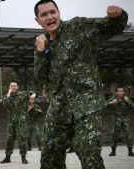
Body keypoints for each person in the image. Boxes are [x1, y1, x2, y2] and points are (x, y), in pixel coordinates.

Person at [33, 0, 128, 168]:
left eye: (52, 12)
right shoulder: (43, 43)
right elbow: (41, 78)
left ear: (59, 12)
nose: (50, 17)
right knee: (49, 159)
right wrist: (40, 52)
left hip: (86, 107)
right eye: (44, 15)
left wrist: (120, 14)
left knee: (90, 156)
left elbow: (113, 26)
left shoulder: (78, 27)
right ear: (37, 20)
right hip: (59, 110)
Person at [0, 81, 35, 164]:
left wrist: (31, 101)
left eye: (15, 86)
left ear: (17, 87)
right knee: (9, 139)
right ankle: (7, 157)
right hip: (11, 121)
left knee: (22, 139)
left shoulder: (22, 94)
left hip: (21, 121)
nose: (13, 87)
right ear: (9, 87)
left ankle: (23, 157)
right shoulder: (6, 97)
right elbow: (6, 105)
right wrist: (8, 94)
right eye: (11, 86)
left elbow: (33, 93)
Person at [108, 86, 134, 156]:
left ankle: (130, 151)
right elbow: (105, 104)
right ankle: (113, 151)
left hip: (125, 119)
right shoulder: (113, 99)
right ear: (116, 92)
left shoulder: (126, 99)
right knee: (114, 134)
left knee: (128, 134)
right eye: (119, 91)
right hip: (116, 119)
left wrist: (128, 101)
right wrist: (111, 102)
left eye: (122, 91)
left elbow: (132, 106)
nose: (121, 92)